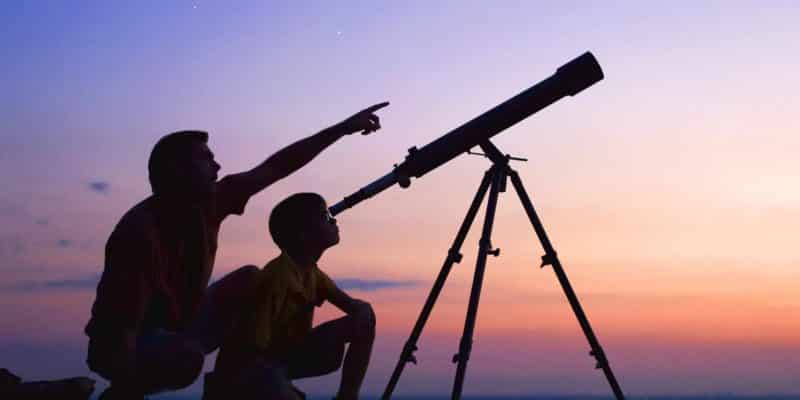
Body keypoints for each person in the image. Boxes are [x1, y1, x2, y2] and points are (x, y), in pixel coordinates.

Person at [84, 102, 389, 399]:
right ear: (177, 170)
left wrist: (343, 129)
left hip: (180, 325)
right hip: (126, 341)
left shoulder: (211, 203)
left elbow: (277, 166)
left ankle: (239, 376)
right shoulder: (139, 234)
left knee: (248, 278)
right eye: (206, 160)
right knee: (185, 358)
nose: (217, 166)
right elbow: (122, 327)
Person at [205, 193, 375, 400]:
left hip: (284, 354)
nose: (333, 220)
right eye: (324, 217)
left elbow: (353, 307)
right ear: (303, 234)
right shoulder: (276, 278)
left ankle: (347, 396)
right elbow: (252, 352)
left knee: (364, 319)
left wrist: (363, 309)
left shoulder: (312, 273)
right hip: (248, 367)